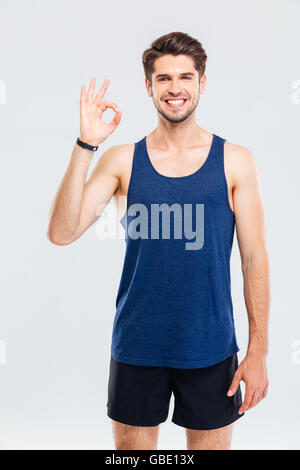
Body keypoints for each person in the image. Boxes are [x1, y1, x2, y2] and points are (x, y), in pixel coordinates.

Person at [47, 31, 270, 450]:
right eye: (163, 79)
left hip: (210, 346)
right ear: (148, 87)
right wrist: (86, 145)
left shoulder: (236, 161)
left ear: (202, 83)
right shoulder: (122, 161)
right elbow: (61, 232)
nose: (175, 88)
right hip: (137, 346)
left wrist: (258, 351)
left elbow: (254, 259)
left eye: (185, 77)